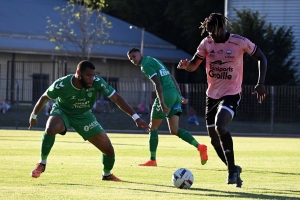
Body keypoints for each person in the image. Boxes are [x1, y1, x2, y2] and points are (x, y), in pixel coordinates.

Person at [177, 13, 267, 188]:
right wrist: (186, 66)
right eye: (209, 32)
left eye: (215, 31)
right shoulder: (206, 43)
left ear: (223, 27)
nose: (213, 35)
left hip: (231, 93)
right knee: (213, 139)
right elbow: (194, 65)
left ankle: (231, 171)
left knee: (220, 126)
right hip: (212, 95)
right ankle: (233, 168)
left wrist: (261, 82)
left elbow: (262, 57)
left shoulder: (239, 42)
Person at [28, 60, 150, 182]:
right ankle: (42, 163)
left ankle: (107, 174)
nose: (91, 79)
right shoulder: (62, 84)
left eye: (93, 75)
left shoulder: (97, 82)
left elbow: (116, 98)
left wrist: (136, 117)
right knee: (51, 128)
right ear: (78, 73)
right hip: (63, 112)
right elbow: (44, 97)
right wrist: (33, 116)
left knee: (108, 150)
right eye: (88, 75)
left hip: (84, 116)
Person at [127, 48, 208, 167]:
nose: (133, 60)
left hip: (166, 95)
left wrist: (162, 103)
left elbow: (157, 83)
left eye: (134, 56)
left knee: (152, 127)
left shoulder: (145, 64)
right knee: (174, 130)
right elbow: (171, 77)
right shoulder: (155, 60)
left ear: (140, 54)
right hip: (174, 95)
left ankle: (152, 160)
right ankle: (200, 147)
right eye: (130, 58)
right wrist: (179, 95)